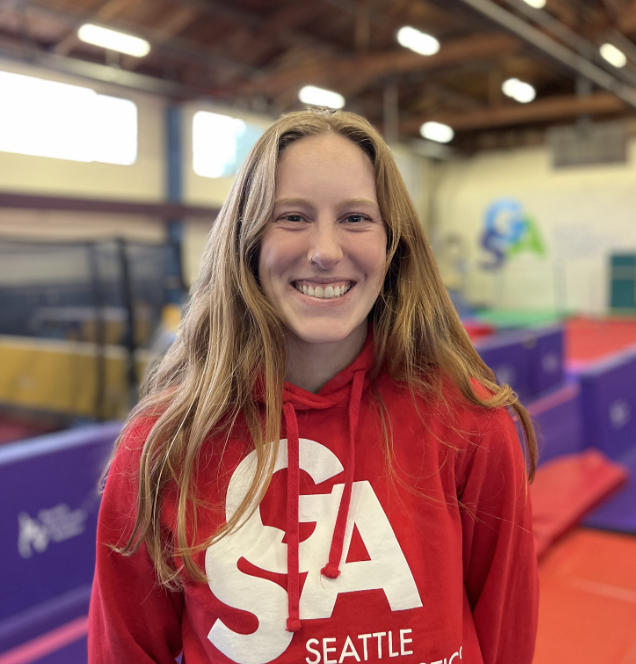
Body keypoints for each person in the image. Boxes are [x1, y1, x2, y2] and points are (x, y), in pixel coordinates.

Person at [89, 109, 539, 664]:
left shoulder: (468, 423)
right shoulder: (165, 446)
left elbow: (506, 635)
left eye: (356, 218)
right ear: (247, 242)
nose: (325, 251)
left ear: (393, 244)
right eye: (293, 217)